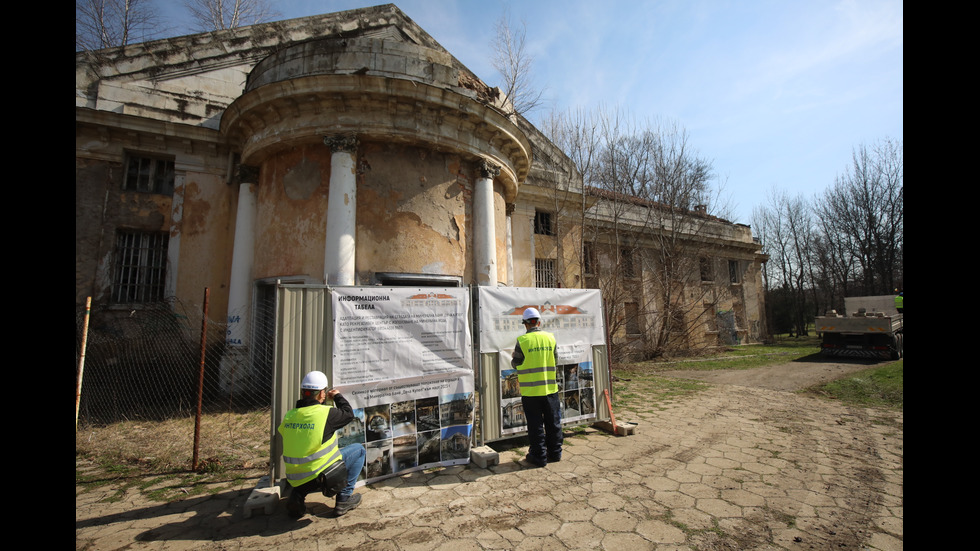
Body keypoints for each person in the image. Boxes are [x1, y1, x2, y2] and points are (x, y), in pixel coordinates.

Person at [277, 370, 366, 518]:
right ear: (321, 394)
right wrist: (337, 396)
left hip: (294, 477)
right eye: (323, 392)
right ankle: (344, 499)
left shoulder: (290, 415)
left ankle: (297, 495)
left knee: (307, 470)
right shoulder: (326, 414)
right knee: (359, 450)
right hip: (322, 476)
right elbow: (348, 414)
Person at [511, 307, 562, 467]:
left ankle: (539, 456)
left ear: (525, 324)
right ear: (539, 322)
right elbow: (556, 360)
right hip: (550, 390)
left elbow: (516, 363)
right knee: (553, 422)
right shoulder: (550, 338)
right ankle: (555, 453)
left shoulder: (523, 341)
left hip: (531, 391)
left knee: (536, 425)